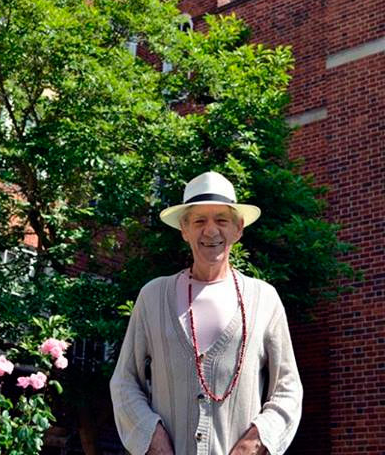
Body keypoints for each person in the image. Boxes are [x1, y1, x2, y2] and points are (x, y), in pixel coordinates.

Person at [110, 171, 303, 455]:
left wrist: (255, 441)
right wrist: (152, 436)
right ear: (184, 230)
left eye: (221, 220)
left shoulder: (265, 299)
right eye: (199, 220)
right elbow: (124, 382)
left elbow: (289, 389)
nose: (211, 231)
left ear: (238, 229)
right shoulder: (152, 297)